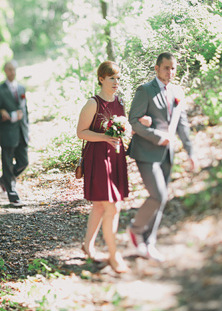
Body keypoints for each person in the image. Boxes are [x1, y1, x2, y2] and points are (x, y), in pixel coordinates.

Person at [76, 61, 150, 273]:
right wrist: (105, 137)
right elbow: (81, 132)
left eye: (118, 78)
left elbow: (123, 129)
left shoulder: (119, 102)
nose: (116, 82)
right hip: (98, 159)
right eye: (112, 78)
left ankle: (88, 246)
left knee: (100, 206)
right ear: (101, 79)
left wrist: (132, 130)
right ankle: (114, 255)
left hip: (115, 157)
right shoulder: (93, 103)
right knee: (112, 206)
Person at [126, 53, 197, 262]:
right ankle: (135, 229)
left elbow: (182, 124)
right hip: (146, 152)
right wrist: (157, 137)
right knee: (158, 195)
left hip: (167, 154)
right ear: (156, 69)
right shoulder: (145, 90)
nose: (170, 72)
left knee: (161, 199)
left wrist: (191, 151)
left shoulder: (177, 91)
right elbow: (134, 121)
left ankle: (149, 244)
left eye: (173, 68)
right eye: (166, 68)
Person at [0, 60, 29, 204]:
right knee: (7, 163)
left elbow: (25, 111)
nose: (12, 72)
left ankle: (4, 180)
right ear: (5, 71)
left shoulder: (22, 88)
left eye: (14, 69)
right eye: (9, 69)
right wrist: (1, 113)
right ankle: (13, 196)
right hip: (6, 133)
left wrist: (27, 130)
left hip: (21, 132)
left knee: (24, 162)